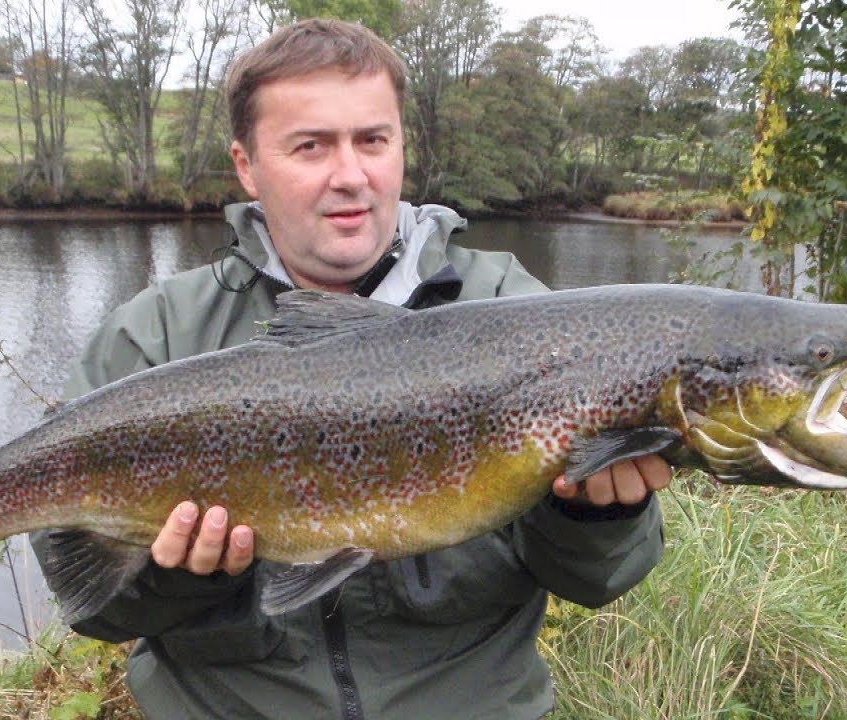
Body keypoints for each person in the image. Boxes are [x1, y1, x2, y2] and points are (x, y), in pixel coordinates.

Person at [34, 19, 670, 719]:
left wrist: (599, 514)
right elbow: (95, 607)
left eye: (373, 140)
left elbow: (598, 578)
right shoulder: (156, 335)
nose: (351, 175)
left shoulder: (513, 311)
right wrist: (180, 578)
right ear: (246, 165)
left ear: (401, 145)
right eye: (311, 146)